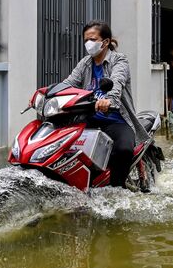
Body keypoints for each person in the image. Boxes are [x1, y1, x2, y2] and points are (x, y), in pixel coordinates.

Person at [63, 21, 149, 187]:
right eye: (86, 40)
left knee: (123, 150)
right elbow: (69, 84)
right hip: (90, 119)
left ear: (106, 42)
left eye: (93, 39)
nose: (89, 43)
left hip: (117, 119)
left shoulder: (119, 60)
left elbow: (117, 82)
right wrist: (47, 94)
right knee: (65, 146)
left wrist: (109, 100)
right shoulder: (85, 63)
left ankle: (117, 189)